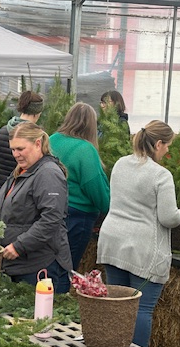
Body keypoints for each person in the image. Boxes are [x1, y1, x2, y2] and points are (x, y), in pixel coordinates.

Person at [97, 120, 180, 347]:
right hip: (142, 249)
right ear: (158, 144)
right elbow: (168, 217)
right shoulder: (161, 175)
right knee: (141, 308)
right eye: (167, 145)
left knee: (117, 305)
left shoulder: (120, 164)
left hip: (112, 242)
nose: (168, 150)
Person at [0, 122, 72, 294]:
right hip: (18, 265)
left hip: (39, 264)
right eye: (13, 149)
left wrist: (19, 246)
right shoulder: (21, 172)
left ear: (38, 143)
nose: (16, 154)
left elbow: (51, 219)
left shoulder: (48, 174)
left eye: (20, 149)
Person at [50, 103, 110, 271]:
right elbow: (96, 189)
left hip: (51, 209)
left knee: (52, 263)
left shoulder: (53, 139)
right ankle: (61, 296)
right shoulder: (86, 150)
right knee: (67, 266)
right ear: (91, 125)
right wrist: (110, 207)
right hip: (77, 217)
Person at [0, 91, 44, 194]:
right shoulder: (36, 136)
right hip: (22, 190)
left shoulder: (2, 131)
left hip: (2, 187)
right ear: (36, 113)